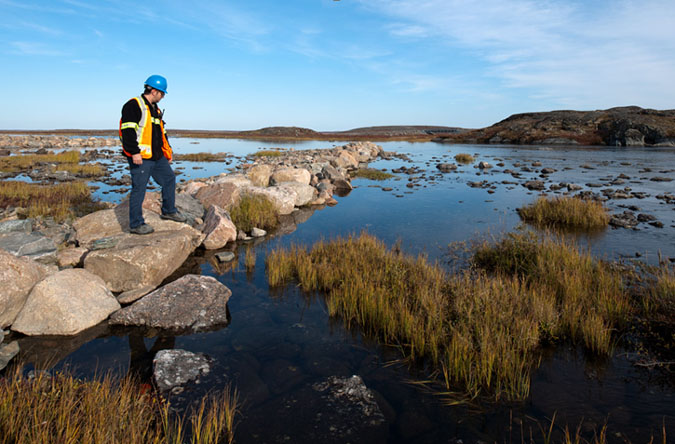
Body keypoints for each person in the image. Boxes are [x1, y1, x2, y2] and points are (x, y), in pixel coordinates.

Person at [120, 74, 186, 234]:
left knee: (170, 178)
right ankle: (136, 224)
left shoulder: (155, 110)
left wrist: (167, 152)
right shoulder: (133, 105)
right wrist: (134, 153)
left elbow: (161, 134)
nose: (163, 96)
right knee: (139, 188)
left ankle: (169, 211)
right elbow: (127, 131)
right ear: (154, 91)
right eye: (162, 93)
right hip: (141, 157)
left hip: (157, 156)